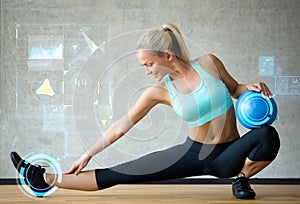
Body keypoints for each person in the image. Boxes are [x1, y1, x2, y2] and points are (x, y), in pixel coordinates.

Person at [11, 23, 280, 199]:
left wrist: (251, 87)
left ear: (167, 56)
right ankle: (42, 177)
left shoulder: (210, 64)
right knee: (121, 173)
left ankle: (241, 179)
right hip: (193, 154)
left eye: (148, 64)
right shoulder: (157, 92)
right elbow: (120, 125)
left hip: (229, 155)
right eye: (143, 66)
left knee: (268, 135)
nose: (147, 70)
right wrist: (88, 153)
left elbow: (235, 89)